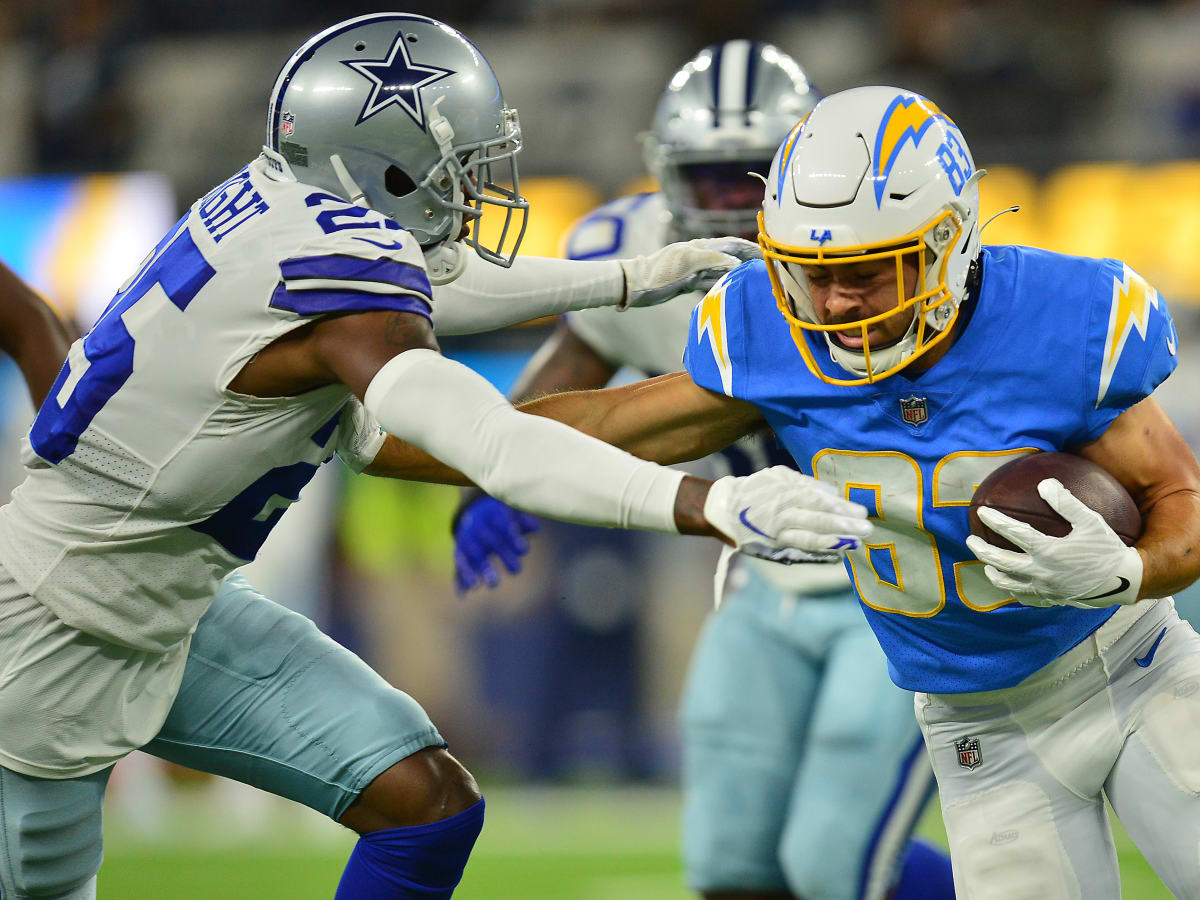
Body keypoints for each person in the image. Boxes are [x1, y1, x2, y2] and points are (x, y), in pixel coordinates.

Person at [0, 15, 880, 900]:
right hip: (50, 634)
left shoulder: (276, 201)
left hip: (170, 600)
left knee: (427, 803)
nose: (469, 188)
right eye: (458, 164)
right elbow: (497, 440)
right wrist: (711, 505)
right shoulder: (350, 295)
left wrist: (626, 278)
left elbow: (436, 279)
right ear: (382, 162)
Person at [391, 85, 1200, 897]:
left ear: (948, 244)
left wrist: (1125, 573)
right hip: (976, 731)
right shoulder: (770, 333)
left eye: (868, 273)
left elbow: (1185, 506)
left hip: (1134, 669)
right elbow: (608, 421)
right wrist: (394, 432)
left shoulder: (1063, 319)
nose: (839, 303)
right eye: (815, 274)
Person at [453, 44, 953, 900]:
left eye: (749, 174)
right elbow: (578, 358)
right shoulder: (628, 251)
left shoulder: (880, 259)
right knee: (731, 863)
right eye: (708, 174)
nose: (727, 199)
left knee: (834, 865)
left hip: (900, 583)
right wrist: (485, 477)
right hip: (764, 578)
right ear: (664, 167)